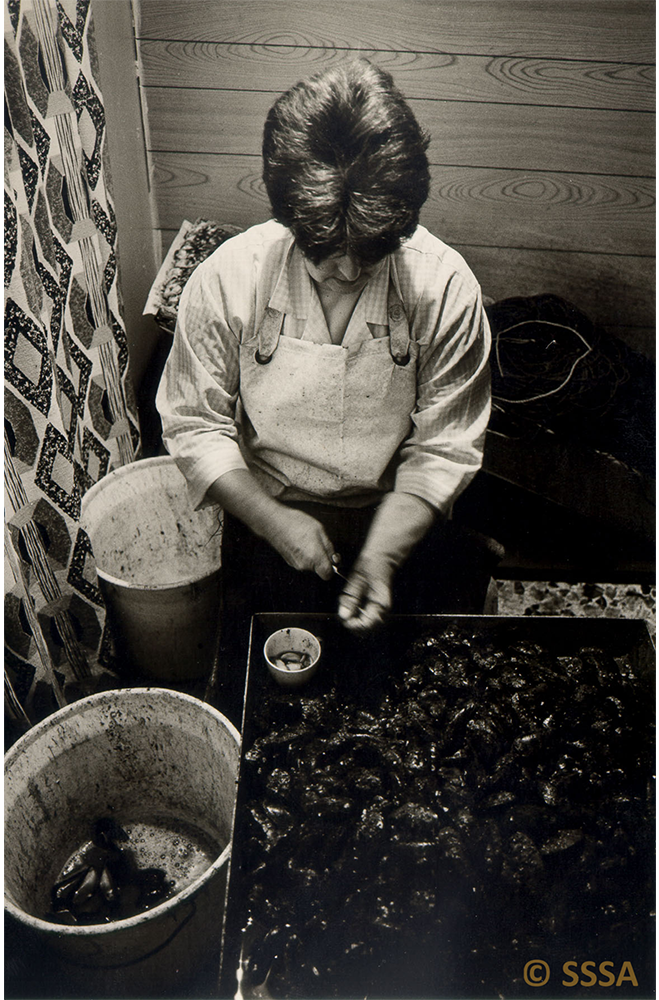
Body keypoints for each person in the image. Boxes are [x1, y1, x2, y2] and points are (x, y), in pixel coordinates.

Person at [156, 59, 493, 674]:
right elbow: (193, 423)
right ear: (288, 219)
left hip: (400, 513)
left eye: (369, 256)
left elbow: (444, 447)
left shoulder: (445, 288)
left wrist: (383, 557)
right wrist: (273, 520)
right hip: (267, 512)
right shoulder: (229, 279)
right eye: (325, 257)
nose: (346, 273)